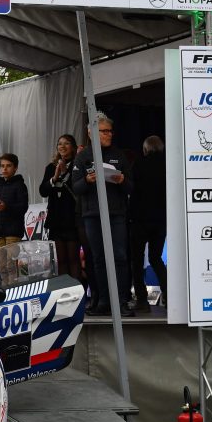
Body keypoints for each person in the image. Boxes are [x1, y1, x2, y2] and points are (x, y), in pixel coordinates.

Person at [72, 115, 135, 318]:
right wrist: (88, 180)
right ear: (92, 133)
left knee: (120, 257)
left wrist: (122, 179)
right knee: (98, 258)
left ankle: (122, 301)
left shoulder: (119, 155)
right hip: (92, 214)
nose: (109, 135)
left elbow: (131, 187)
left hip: (116, 213)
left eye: (110, 131)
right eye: (104, 131)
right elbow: (76, 187)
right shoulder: (82, 157)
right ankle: (103, 301)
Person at [130, 135, 167, 312]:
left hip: (140, 219)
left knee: (137, 260)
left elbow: (131, 189)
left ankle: (142, 301)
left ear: (145, 149)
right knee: (156, 258)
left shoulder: (138, 164)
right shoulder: (168, 165)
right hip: (160, 220)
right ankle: (169, 295)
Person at [39, 134, 82, 281]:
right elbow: (43, 191)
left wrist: (64, 173)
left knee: (73, 259)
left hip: (72, 219)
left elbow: (78, 190)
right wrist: (54, 178)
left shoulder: (78, 165)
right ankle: (66, 292)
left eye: (67, 143)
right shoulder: (51, 167)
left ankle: (79, 293)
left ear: (74, 147)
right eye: (60, 144)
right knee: (61, 261)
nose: (62, 147)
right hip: (56, 220)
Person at [0, 153, 29, 248]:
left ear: (15, 168)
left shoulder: (19, 185)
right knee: (1, 262)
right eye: (2, 166)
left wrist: (6, 207)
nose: (5, 169)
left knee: (10, 262)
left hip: (13, 232)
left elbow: (23, 207)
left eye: (8, 166)